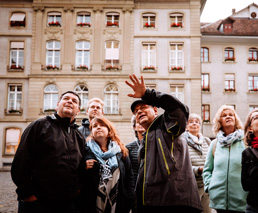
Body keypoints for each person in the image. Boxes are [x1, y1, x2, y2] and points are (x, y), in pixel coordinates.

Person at [125, 74, 202, 213]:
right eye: (136, 111)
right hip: (152, 203)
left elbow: (179, 110)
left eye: (143, 107)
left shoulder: (167, 124)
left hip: (176, 200)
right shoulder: (144, 140)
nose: (139, 111)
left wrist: (147, 94)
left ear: (155, 110)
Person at [11, 91, 85, 213]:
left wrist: (77, 191)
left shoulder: (78, 136)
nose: (70, 101)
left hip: (68, 205)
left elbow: (79, 168)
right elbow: (20, 163)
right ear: (57, 105)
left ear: (78, 111)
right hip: (38, 204)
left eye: (74, 101)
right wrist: (29, 195)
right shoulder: (39, 125)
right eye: (66, 98)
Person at [79, 117, 134, 213]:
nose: (98, 128)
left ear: (109, 131)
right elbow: (78, 176)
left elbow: (129, 177)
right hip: (92, 202)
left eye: (102, 125)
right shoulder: (85, 151)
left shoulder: (121, 151)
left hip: (118, 201)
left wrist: (130, 200)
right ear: (92, 132)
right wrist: (83, 167)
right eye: (95, 126)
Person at [202, 105, 248, 213]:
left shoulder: (245, 142)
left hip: (241, 201)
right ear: (219, 121)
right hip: (219, 202)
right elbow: (207, 170)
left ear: (235, 119)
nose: (228, 117)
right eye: (224, 115)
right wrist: (210, 187)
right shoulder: (215, 143)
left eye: (231, 115)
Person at [184, 113, 212, 213]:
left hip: (206, 185)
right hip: (191, 187)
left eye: (197, 122)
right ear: (186, 126)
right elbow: (181, 165)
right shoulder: (182, 141)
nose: (194, 124)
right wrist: (198, 170)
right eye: (191, 122)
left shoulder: (207, 141)